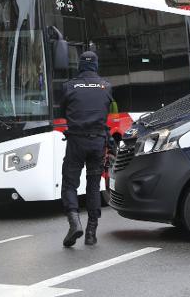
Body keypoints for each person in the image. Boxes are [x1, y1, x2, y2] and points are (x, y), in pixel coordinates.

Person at [60, 51, 113, 247]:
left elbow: (62, 111)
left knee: (70, 184)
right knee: (93, 186)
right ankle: (91, 233)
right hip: (98, 142)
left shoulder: (68, 86)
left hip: (76, 142)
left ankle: (74, 221)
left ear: (80, 65)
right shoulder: (106, 86)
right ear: (96, 65)